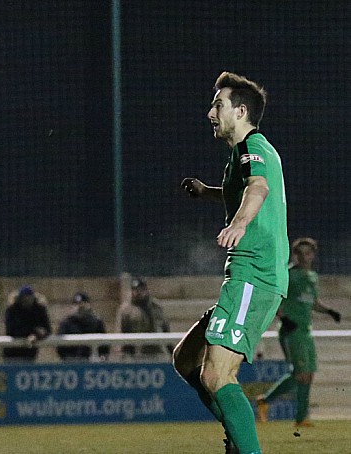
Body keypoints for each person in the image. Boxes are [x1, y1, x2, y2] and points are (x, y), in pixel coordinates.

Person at [173, 72, 288, 454]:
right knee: (186, 359)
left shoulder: (255, 145)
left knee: (216, 374)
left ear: (240, 111)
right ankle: (239, 436)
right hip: (245, 276)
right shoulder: (240, 156)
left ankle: (245, 447)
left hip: (255, 276)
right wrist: (209, 192)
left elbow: (258, 188)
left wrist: (239, 224)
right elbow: (244, 188)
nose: (210, 112)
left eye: (217, 105)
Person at [256, 238, 341, 427]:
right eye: (300, 253)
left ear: (313, 254)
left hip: (305, 330)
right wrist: (284, 319)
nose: (304, 257)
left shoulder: (312, 276)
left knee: (307, 374)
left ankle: (301, 418)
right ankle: (267, 402)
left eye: (308, 252)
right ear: (294, 255)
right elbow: (274, 297)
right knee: (301, 374)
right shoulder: (288, 275)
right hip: (291, 330)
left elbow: (313, 302)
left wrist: (329, 311)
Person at [117, 277, 172, 357]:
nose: (138, 292)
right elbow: (122, 333)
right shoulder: (126, 310)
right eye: (135, 290)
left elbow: (165, 329)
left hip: (157, 351)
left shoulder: (156, 307)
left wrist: (171, 351)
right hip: (137, 353)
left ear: (146, 290)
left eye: (140, 289)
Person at [3, 286, 51, 362]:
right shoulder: (12, 310)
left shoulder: (39, 310)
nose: (27, 300)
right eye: (24, 297)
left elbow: (47, 329)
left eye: (29, 297)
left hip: (30, 352)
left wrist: (36, 335)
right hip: (12, 352)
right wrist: (33, 332)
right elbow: (10, 330)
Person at [56, 292, 110, 361]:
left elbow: (104, 346)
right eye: (76, 304)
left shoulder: (97, 322)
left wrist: (102, 357)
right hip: (71, 361)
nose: (79, 307)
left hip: (92, 361)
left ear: (88, 305)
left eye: (83, 304)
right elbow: (60, 346)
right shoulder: (66, 323)